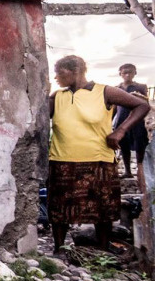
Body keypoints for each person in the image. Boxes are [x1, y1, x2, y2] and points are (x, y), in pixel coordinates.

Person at [48, 55, 149, 252]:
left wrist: (121, 130)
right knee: (59, 208)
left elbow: (142, 106)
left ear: (75, 71)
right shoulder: (57, 97)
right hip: (62, 160)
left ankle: (102, 250)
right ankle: (58, 250)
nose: (56, 77)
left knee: (102, 209)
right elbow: (39, 115)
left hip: (98, 161)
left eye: (60, 72)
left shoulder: (104, 92)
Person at [115, 63, 150, 179]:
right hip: (121, 121)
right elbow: (114, 108)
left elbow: (146, 104)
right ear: (120, 74)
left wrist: (140, 97)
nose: (127, 75)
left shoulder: (141, 87)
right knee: (123, 145)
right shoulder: (116, 89)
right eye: (125, 72)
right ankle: (127, 171)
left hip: (137, 121)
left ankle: (141, 170)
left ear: (135, 73)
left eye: (130, 72)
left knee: (140, 145)